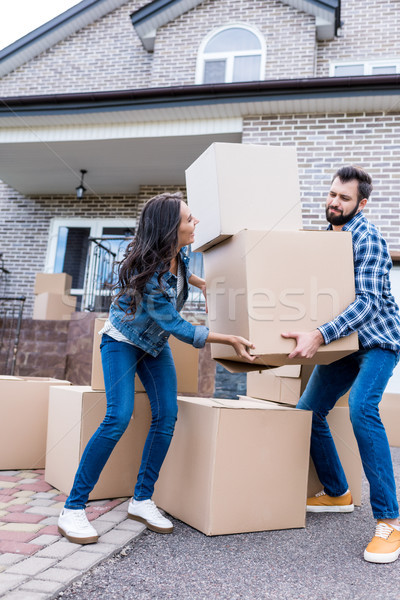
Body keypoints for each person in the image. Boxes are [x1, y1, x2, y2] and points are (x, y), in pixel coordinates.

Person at [58, 192, 255, 544]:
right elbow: (177, 326)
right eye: (189, 219)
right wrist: (231, 339)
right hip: (122, 341)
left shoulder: (179, 252)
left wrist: (201, 283)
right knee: (118, 417)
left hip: (153, 346)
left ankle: (142, 498)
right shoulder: (145, 273)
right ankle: (73, 508)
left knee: (167, 415)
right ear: (169, 228)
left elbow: (182, 277)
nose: (195, 223)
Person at [283, 165, 400, 564]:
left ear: (361, 203)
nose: (334, 202)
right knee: (308, 411)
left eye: (344, 198)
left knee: (363, 409)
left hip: (378, 341)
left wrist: (318, 334)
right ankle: (338, 492)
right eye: (332, 194)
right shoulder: (327, 240)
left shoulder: (367, 238)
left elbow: (366, 304)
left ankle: (390, 521)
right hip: (344, 344)